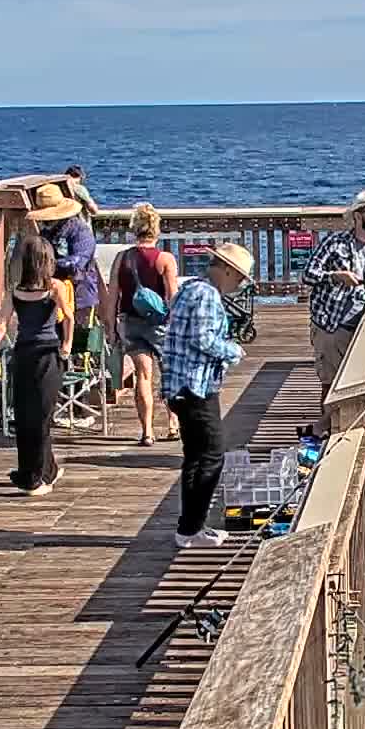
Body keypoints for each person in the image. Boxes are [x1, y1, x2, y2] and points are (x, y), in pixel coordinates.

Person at [161, 242, 254, 550]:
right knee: (212, 456)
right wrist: (233, 350)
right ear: (225, 269)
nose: (239, 284)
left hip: (185, 386)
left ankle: (190, 528)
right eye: (239, 277)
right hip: (193, 387)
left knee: (196, 457)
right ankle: (190, 529)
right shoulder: (205, 294)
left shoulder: (192, 288)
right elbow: (202, 338)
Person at [304, 189, 365, 435]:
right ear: (357, 216)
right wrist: (335, 277)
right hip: (330, 326)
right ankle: (326, 431)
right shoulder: (334, 243)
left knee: (355, 385)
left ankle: (327, 430)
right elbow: (308, 275)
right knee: (329, 381)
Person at [0, 236, 73, 497]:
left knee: (39, 417)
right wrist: (66, 346)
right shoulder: (20, 291)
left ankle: (40, 474)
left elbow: (68, 317)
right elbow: (2, 324)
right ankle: (37, 472)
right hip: (33, 355)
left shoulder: (53, 288)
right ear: (47, 262)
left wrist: (66, 347)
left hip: (42, 355)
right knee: (28, 417)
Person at [27, 183, 102, 426]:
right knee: (55, 349)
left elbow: (78, 262)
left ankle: (85, 408)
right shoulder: (46, 233)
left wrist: (49, 266)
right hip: (52, 297)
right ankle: (58, 404)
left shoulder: (80, 231)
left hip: (80, 297)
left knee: (81, 351)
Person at [109, 203, 181, 446]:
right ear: (156, 229)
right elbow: (173, 297)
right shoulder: (165, 259)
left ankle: (148, 431)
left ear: (134, 229)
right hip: (161, 324)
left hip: (131, 322)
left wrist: (110, 326)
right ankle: (173, 424)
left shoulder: (122, 258)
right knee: (169, 374)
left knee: (143, 375)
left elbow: (112, 296)